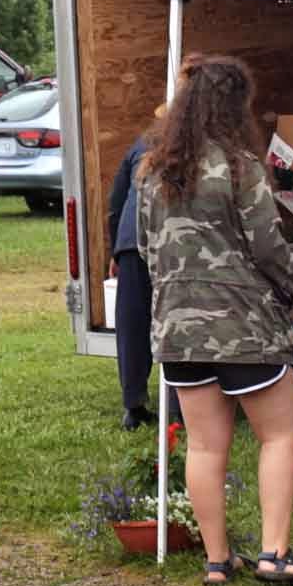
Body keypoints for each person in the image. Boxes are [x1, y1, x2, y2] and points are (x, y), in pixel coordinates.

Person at [136, 54, 293, 586]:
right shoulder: (242, 166)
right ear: (234, 106)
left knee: (204, 446)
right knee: (278, 435)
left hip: (177, 326)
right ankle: (275, 552)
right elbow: (268, 246)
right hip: (244, 324)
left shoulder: (151, 170)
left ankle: (218, 560)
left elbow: (145, 248)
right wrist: (288, 294)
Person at [106, 113, 171, 431]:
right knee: (177, 320)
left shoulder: (139, 146)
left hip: (132, 242)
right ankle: (181, 404)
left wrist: (116, 250)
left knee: (132, 325)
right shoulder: (198, 147)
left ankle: (134, 405)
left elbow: (116, 202)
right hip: (172, 243)